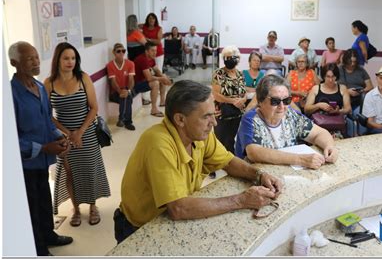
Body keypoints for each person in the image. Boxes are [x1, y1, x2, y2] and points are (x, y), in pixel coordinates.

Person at [114, 80, 283, 244]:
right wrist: (241, 200)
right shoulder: (158, 143)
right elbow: (179, 208)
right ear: (180, 119)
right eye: (206, 116)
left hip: (167, 220)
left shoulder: (200, 133)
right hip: (139, 229)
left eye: (213, 113)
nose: (214, 122)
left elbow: (228, 162)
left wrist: (259, 174)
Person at [9, 41, 73, 256]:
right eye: (29, 58)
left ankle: (49, 235)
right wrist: (45, 147)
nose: (36, 62)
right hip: (25, 164)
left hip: (43, 161)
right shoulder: (9, 95)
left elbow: (47, 119)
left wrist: (60, 137)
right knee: (32, 207)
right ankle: (38, 248)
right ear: (14, 63)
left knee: (44, 200)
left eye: (36, 56)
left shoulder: (39, 87)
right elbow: (10, 138)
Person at [44, 42, 110, 227]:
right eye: (66, 58)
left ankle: (92, 206)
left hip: (86, 132)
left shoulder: (83, 78)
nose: (70, 62)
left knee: (89, 170)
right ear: (58, 59)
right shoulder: (49, 83)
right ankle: (76, 208)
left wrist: (79, 132)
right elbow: (47, 115)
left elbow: (94, 108)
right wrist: (67, 133)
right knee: (69, 173)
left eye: (73, 58)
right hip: (63, 136)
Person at [235, 75, 338, 168]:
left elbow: (319, 133)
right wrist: (301, 160)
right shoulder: (250, 119)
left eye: (286, 101)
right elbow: (254, 152)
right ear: (260, 101)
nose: (282, 107)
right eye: (275, 101)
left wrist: (329, 146)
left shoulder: (291, 115)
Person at [212, 46, 247, 153]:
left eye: (231, 57)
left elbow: (244, 93)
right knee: (220, 141)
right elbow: (216, 94)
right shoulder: (218, 73)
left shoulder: (240, 74)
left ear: (237, 59)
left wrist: (243, 100)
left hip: (238, 113)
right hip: (222, 112)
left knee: (231, 140)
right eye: (226, 58)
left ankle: (230, 163)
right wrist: (233, 101)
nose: (228, 60)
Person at [304, 63, 352, 137]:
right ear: (323, 76)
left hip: (336, 124)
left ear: (336, 76)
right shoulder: (316, 88)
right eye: (328, 77)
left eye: (333, 77)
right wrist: (318, 105)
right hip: (318, 124)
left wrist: (338, 111)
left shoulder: (342, 88)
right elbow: (306, 109)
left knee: (336, 138)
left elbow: (348, 109)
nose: (330, 80)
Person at [338, 49, 374, 137]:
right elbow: (336, 87)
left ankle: (361, 134)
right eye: (350, 61)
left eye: (354, 61)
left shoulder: (361, 70)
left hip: (359, 100)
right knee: (349, 116)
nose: (352, 64)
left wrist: (361, 91)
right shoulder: (340, 69)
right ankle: (350, 134)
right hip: (344, 100)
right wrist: (347, 91)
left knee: (362, 115)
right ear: (346, 60)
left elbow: (370, 86)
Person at [133, 44, 172, 117]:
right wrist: (162, 79)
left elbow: (156, 70)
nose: (155, 53)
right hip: (136, 84)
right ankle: (153, 109)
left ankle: (162, 102)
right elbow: (149, 78)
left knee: (162, 76)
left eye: (155, 50)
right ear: (146, 51)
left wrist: (164, 78)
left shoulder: (151, 58)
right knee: (155, 83)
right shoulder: (142, 59)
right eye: (152, 51)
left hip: (144, 81)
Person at [106, 43, 136, 130]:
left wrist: (128, 91)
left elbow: (131, 80)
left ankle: (121, 119)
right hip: (115, 91)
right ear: (114, 53)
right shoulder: (110, 65)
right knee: (126, 97)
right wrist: (120, 92)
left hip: (127, 89)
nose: (121, 53)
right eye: (118, 51)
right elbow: (113, 82)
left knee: (127, 97)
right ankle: (128, 122)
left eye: (123, 51)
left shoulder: (130, 64)